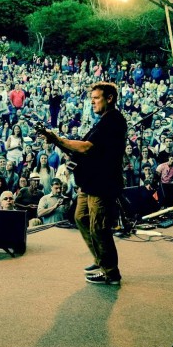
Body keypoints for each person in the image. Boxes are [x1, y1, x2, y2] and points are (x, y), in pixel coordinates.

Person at [42, 82, 126, 285]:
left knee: (99, 227)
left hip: (102, 184)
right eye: (92, 98)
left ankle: (111, 272)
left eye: (96, 98)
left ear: (110, 98)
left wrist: (57, 139)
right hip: (89, 183)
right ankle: (100, 259)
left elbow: (88, 148)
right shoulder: (102, 122)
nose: (93, 102)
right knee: (80, 217)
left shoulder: (113, 120)